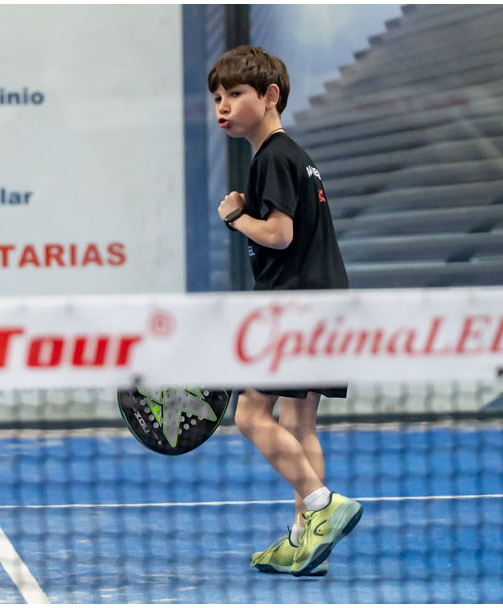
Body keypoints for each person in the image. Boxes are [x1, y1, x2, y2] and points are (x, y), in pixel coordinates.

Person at [207, 45, 362, 577]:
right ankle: (305, 541)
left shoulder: (272, 156)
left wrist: (234, 217)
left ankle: (321, 505)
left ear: (270, 96)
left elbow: (279, 234)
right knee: (298, 421)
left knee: (250, 414)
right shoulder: (296, 157)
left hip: (295, 308)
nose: (223, 105)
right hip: (324, 304)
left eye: (235, 94)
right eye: (217, 97)